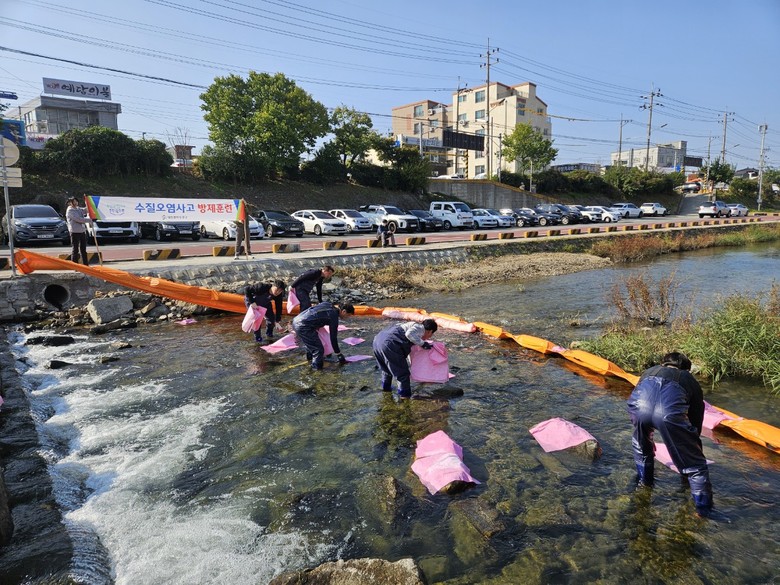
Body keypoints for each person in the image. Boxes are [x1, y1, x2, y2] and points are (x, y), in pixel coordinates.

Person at [626, 351, 714, 516]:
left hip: (638, 408)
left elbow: (639, 393)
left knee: (642, 447)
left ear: (663, 363)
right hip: (668, 415)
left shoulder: (649, 371)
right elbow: (696, 422)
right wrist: (692, 452)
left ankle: (645, 483)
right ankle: (703, 512)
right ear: (686, 369)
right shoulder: (689, 380)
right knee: (696, 467)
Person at [373, 319, 438, 398]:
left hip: (377, 341)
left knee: (386, 370)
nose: (428, 337)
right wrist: (423, 344)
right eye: (431, 334)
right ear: (430, 331)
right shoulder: (420, 328)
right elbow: (409, 334)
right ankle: (405, 396)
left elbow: (409, 351)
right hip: (389, 344)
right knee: (403, 374)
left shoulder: (408, 326)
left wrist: (412, 365)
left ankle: (386, 390)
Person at [292, 301, 354, 370]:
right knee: (318, 350)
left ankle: (309, 362)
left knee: (312, 346)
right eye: (348, 315)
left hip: (296, 320)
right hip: (303, 326)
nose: (347, 317)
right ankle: (316, 371)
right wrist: (339, 354)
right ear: (344, 311)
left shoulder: (327, 304)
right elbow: (333, 338)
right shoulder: (334, 316)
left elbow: (314, 312)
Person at [65, 195, 91, 265]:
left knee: (83, 249)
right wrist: (89, 220)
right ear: (69, 203)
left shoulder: (78, 209)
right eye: (73, 202)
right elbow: (78, 219)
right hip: (74, 232)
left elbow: (85, 210)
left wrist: (88, 204)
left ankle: (85, 265)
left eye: (76, 201)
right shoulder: (70, 210)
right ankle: (75, 266)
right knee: (75, 249)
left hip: (82, 231)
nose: (75, 203)